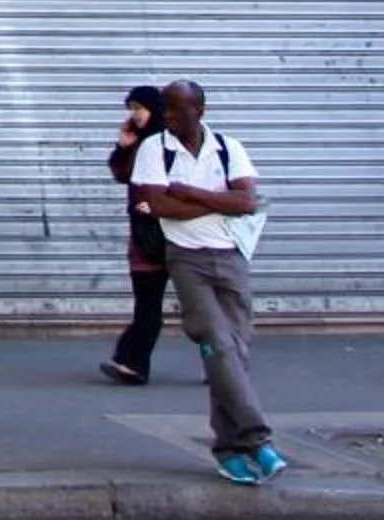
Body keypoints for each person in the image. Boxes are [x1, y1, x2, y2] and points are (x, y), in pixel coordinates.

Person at [131, 79, 284, 486]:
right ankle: (257, 440)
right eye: (166, 108)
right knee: (217, 343)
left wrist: (188, 193)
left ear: (199, 109)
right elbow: (159, 205)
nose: (168, 116)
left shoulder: (227, 148)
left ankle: (228, 449)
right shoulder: (155, 149)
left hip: (232, 258)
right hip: (187, 261)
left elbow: (246, 202)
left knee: (232, 353)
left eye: (177, 109)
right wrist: (216, 201)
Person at [101, 85, 170, 385]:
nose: (134, 114)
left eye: (139, 108)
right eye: (131, 107)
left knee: (200, 308)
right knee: (148, 303)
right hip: (145, 236)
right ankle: (132, 362)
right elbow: (121, 175)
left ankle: (222, 359)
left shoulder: (174, 143)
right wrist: (124, 146)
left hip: (180, 233)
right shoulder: (141, 143)